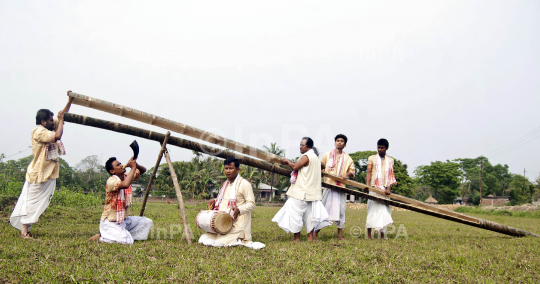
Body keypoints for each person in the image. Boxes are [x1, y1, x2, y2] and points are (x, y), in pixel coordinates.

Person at [10, 95, 74, 238]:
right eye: (51, 120)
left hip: (47, 173)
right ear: (43, 121)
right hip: (39, 174)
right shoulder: (39, 132)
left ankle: (27, 230)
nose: (54, 122)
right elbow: (57, 136)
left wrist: (69, 102)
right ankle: (24, 232)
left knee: (38, 202)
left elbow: (61, 116)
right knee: (32, 202)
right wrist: (61, 121)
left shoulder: (48, 129)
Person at [199, 157, 265, 249]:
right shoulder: (225, 184)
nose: (228, 171)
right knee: (203, 238)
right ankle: (225, 234)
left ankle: (238, 238)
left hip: (237, 223)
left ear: (237, 169)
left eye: (231, 168)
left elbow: (252, 204)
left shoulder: (244, 184)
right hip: (223, 222)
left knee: (219, 243)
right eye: (226, 168)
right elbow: (225, 198)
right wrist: (214, 200)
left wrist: (239, 210)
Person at [272, 137, 329, 242]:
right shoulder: (315, 158)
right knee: (309, 216)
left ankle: (296, 238)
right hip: (312, 193)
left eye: (302, 145)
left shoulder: (306, 156)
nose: (300, 147)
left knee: (296, 214)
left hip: (301, 191)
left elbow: (295, 167)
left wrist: (288, 162)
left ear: (309, 146)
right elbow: (323, 165)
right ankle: (310, 237)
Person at [96, 157, 152, 244]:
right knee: (126, 241)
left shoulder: (127, 176)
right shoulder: (111, 181)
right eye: (118, 165)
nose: (121, 165)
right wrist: (133, 168)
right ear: (112, 171)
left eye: (120, 163)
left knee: (148, 222)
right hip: (111, 221)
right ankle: (103, 237)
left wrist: (136, 165)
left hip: (123, 220)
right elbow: (125, 184)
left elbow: (143, 170)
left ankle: (117, 234)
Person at [315, 134, 355, 239]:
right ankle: (315, 233)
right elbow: (321, 167)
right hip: (328, 186)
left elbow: (352, 170)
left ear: (345, 144)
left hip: (340, 187)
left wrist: (346, 175)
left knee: (341, 211)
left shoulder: (347, 158)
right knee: (323, 209)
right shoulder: (327, 155)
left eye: (342, 141)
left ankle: (339, 234)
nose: (339, 142)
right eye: (338, 140)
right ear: (335, 143)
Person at [365, 138, 397, 239]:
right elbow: (369, 172)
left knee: (384, 211)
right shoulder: (371, 158)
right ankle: (369, 236)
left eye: (382, 148)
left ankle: (382, 235)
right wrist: (367, 185)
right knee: (371, 210)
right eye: (378, 147)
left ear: (386, 148)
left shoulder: (390, 160)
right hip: (374, 187)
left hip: (384, 189)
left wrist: (388, 188)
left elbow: (391, 175)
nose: (380, 149)